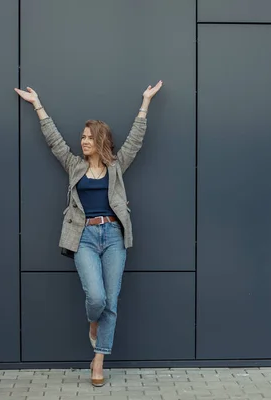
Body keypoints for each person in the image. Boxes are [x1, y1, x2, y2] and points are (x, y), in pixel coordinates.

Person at [14, 81, 163, 386]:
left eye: (89, 138)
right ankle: (93, 323)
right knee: (96, 298)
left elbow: (135, 139)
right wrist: (37, 104)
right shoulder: (74, 166)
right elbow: (54, 140)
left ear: (101, 141)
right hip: (82, 236)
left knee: (111, 299)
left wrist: (145, 103)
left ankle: (98, 361)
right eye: (82, 137)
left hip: (113, 236)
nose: (83, 142)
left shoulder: (116, 167)